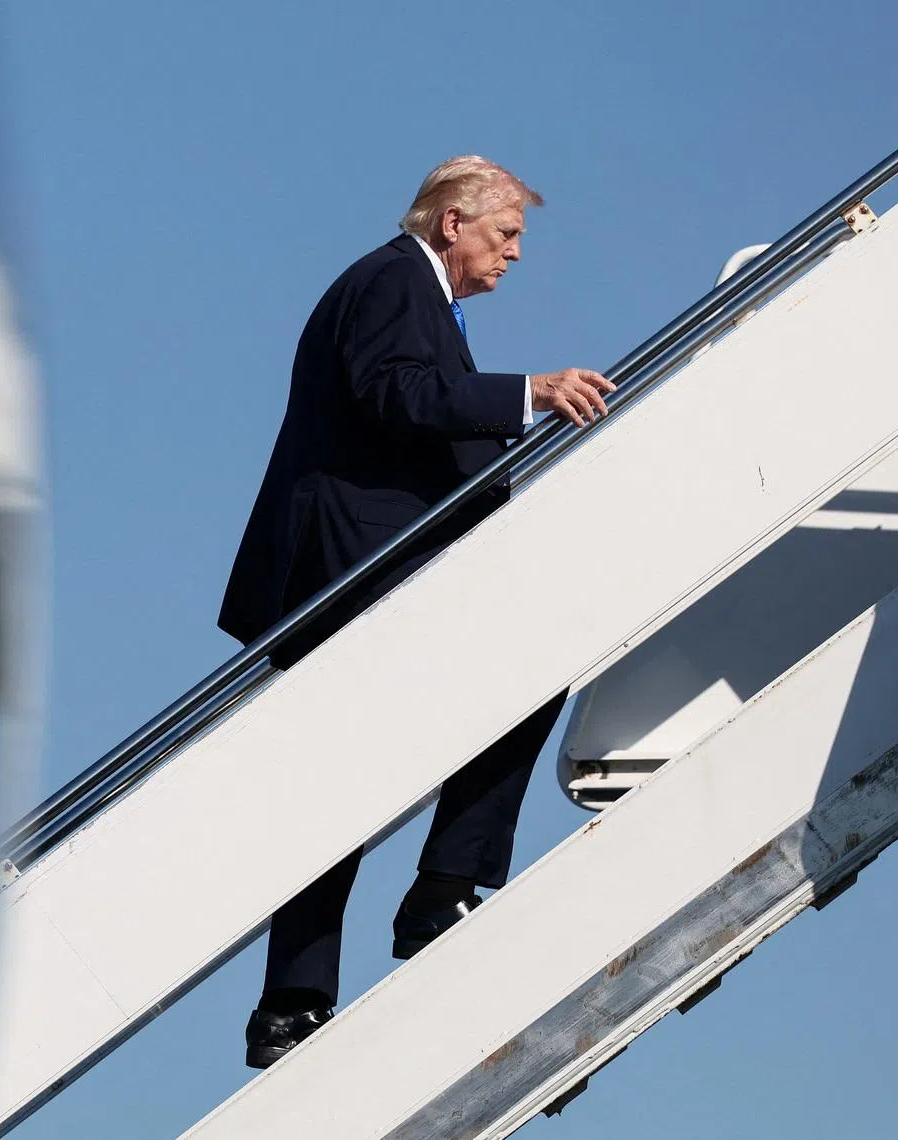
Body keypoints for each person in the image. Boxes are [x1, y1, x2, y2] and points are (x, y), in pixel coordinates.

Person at [217, 155, 614, 1069]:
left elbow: (417, 418)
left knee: (344, 785)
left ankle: (295, 999)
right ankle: (436, 891)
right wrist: (533, 393)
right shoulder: (398, 281)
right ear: (451, 225)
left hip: (362, 559)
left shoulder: (408, 289)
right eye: (506, 234)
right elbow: (397, 394)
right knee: (523, 680)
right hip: (355, 565)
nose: (516, 256)